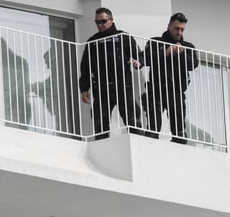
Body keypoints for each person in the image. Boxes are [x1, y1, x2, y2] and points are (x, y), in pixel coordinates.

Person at [78, 8, 143, 139]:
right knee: (99, 123)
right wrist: (84, 89)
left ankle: (139, 146)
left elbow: (138, 55)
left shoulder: (122, 37)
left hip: (122, 85)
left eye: (103, 21)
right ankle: (102, 150)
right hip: (101, 87)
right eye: (97, 22)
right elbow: (85, 66)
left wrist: (138, 63)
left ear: (111, 20)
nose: (100, 25)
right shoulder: (92, 41)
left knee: (132, 119)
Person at [143, 13, 199, 144]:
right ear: (168, 26)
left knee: (179, 131)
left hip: (177, 91)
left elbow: (193, 65)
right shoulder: (155, 42)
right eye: (176, 28)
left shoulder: (187, 46)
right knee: (152, 128)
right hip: (156, 90)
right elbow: (145, 58)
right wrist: (166, 53)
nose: (179, 32)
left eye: (182, 29)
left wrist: (182, 53)